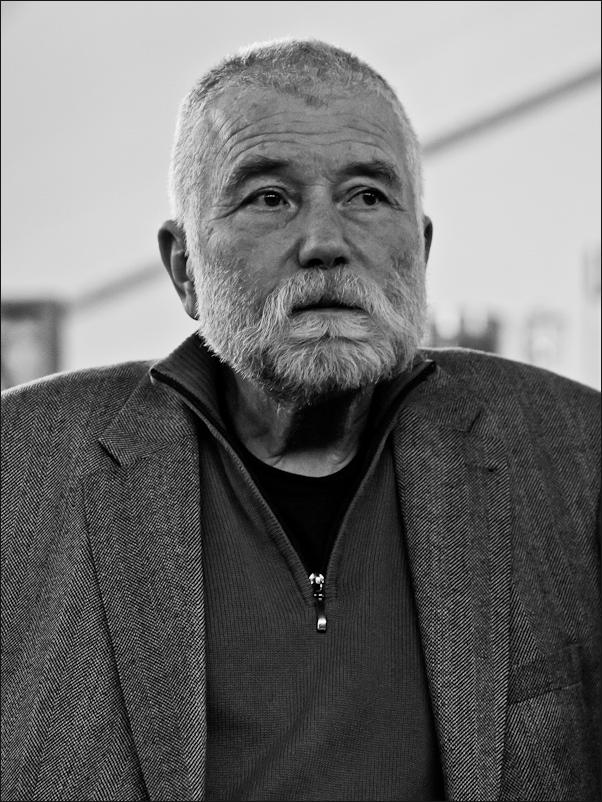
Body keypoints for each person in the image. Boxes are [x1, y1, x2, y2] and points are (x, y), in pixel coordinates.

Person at [1, 39, 600, 802]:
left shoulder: (574, 454)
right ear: (184, 268)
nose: (325, 243)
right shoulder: (21, 470)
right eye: (268, 198)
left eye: (367, 196)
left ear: (419, 252)